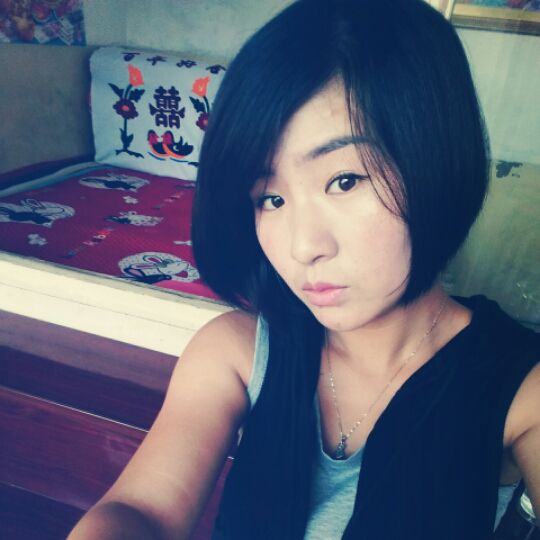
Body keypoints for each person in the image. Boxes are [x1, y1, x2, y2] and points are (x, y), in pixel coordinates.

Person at [68, 0, 540, 539]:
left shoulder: (520, 389)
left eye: (344, 181)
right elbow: (142, 510)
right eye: (269, 198)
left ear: (434, 161)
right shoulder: (237, 352)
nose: (302, 246)